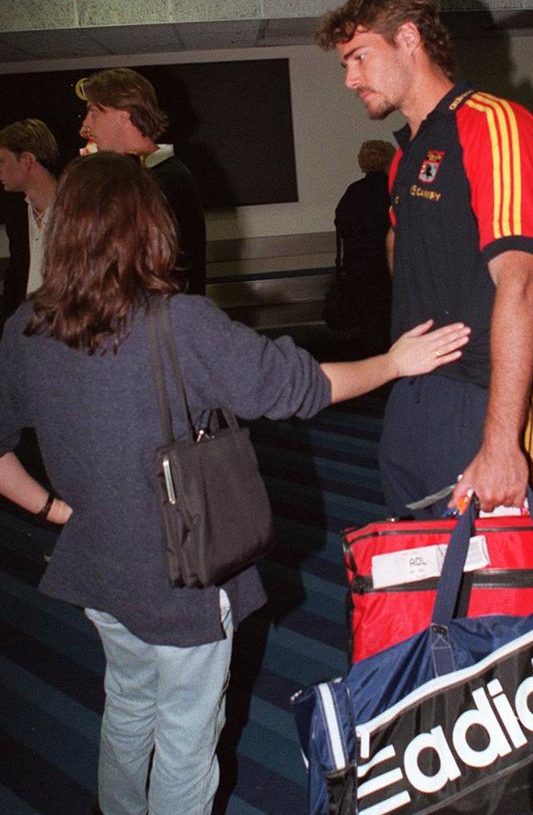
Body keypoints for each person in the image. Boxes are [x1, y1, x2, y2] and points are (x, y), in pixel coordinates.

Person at [0, 152, 469, 815]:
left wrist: (53, 510)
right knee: (188, 740)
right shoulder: (178, 322)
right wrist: (392, 362)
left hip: (95, 570)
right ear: (148, 228)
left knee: (129, 704)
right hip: (179, 578)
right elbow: (303, 388)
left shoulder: (24, 327)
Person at [317, 0, 533, 517]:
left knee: (498, 591)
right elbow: (401, 244)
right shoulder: (410, 151)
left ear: (407, 38)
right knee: (419, 580)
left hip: (485, 398)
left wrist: (501, 442)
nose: (350, 79)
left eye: (358, 58)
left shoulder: (493, 124)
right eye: (344, 65)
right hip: (414, 392)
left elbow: (521, 281)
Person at [78, 67, 207, 295]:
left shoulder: (168, 181)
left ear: (123, 114)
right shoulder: (148, 177)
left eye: (93, 112)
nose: (86, 125)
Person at [334, 139, 395, 355]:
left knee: (368, 322)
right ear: (388, 160)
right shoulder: (392, 190)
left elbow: (341, 223)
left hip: (359, 266)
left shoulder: (354, 191)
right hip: (386, 266)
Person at [0, 119, 58, 327]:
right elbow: (16, 275)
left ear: (27, 160)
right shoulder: (16, 213)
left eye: (2, 161)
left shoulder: (77, 212)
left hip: (67, 332)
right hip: (27, 332)